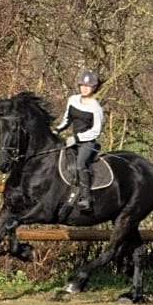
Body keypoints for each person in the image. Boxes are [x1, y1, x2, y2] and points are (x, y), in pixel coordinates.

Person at [53, 69, 104, 210]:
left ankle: (86, 198)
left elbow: (96, 130)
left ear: (93, 88)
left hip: (87, 142)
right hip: (72, 139)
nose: (84, 88)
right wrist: (57, 130)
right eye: (82, 85)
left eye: (88, 86)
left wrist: (77, 138)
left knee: (81, 164)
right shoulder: (73, 100)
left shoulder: (96, 108)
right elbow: (67, 119)